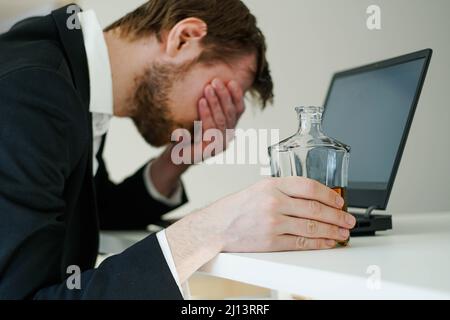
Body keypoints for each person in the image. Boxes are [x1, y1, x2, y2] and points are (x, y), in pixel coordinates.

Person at [0, 0, 356, 299]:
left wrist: (176, 162)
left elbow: (88, 213)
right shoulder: (35, 91)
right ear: (184, 38)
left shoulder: (68, 79)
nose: (211, 115)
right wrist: (211, 230)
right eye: (217, 93)